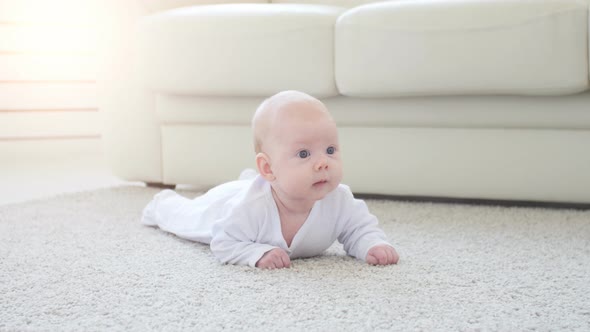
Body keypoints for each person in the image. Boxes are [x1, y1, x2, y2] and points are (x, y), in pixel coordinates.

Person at [142, 90, 399, 269]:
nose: (323, 162)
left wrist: (372, 245)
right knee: (187, 218)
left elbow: (360, 229)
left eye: (330, 150)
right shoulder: (248, 209)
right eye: (303, 153)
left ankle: (250, 179)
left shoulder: (339, 200)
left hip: (265, 184)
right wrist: (256, 252)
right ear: (269, 167)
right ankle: (162, 203)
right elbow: (223, 242)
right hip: (224, 204)